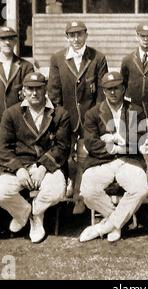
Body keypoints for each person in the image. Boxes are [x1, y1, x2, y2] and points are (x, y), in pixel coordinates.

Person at [0, 72, 71, 243]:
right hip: (20, 166)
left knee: (56, 192)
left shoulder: (60, 113)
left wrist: (43, 167)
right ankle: (24, 213)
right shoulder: (11, 113)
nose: (34, 93)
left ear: (45, 90)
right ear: (23, 91)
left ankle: (36, 215)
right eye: (30, 89)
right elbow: (3, 148)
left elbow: (62, 147)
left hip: (49, 167)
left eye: (39, 89)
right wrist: (19, 169)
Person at [78, 72, 148, 243]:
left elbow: (140, 139)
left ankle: (104, 226)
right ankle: (117, 222)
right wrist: (119, 146)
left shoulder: (136, 111)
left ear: (123, 88)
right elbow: (91, 144)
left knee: (140, 189)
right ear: (103, 91)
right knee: (87, 191)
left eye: (116, 88)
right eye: (108, 89)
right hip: (101, 161)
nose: (113, 92)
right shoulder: (93, 113)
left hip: (129, 161)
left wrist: (115, 140)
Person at [47, 20, 109, 212]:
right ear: (67, 37)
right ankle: (70, 183)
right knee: (65, 155)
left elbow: (101, 93)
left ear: (86, 35)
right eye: (72, 35)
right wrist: (59, 117)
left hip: (90, 117)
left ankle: (80, 195)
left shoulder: (97, 58)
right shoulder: (57, 59)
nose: (76, 39)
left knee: (85, 154)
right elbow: (54, 92)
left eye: (79, 34)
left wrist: (95, 117)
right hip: (66, 118)